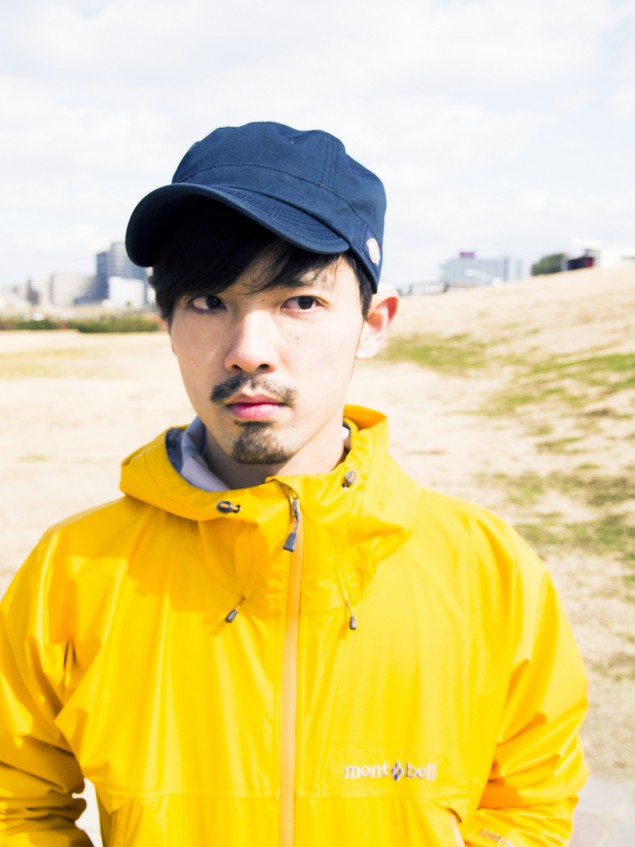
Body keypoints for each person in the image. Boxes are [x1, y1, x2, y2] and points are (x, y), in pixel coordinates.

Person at [0, 122, 588, 847]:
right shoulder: (74, 570)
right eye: (207, 301)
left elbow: (532, 799)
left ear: (372, 323)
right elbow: (15, 805)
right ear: (167, 324)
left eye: (299, 301)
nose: (248, 352)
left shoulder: (489, 570)